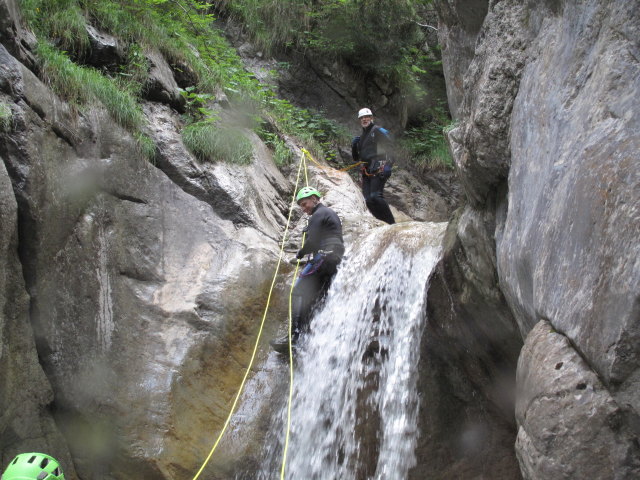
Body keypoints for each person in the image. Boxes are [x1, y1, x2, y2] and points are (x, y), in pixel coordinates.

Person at [270, 186, 344, 354]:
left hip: (324, 257)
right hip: (333, 257)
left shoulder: (319, 214)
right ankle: (306, 337)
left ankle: (294, 337)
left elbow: (312, 242)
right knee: (315, 298)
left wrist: (300, 253)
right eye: (301, 206)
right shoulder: (327, 214)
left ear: (315, 199)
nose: (304, 209)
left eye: (305, 204)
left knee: (297, 292)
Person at [351, 107, 396, 224]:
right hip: (366, 170)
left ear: (371, 118)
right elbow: (356, 158)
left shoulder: (377, 131)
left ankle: (391, 224)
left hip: (379, 167)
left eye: (366, 117)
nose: (364, 119)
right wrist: (354, 147)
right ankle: (382, 222)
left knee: (376, 196)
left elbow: (391, 148)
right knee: (368, 200)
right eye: (362, 118)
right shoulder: (361, 138)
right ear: (359, 120)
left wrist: (388, 166)